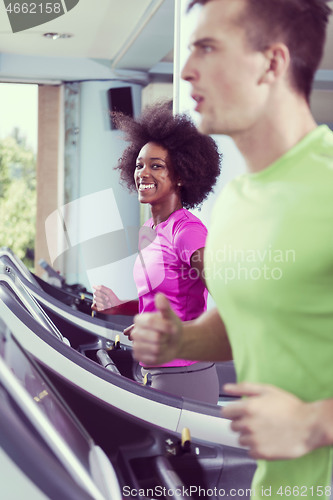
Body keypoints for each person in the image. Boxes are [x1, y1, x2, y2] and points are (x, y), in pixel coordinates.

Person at [130, 0, 333, 497]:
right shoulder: (242, 199)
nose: (186, 69)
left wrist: (315, 422)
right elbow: (258, 319)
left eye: (208, 48)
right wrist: (182, 342)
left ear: (272, 63)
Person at [92, 102, 221, 403]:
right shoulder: (149, 230)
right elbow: (162, 300)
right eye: (139, 164)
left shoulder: (186, 231)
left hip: (185, 374)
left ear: (181, 175)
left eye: (156, 165)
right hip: (153, 371)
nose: (143, 173)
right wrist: (118, 306)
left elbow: (228, 294)